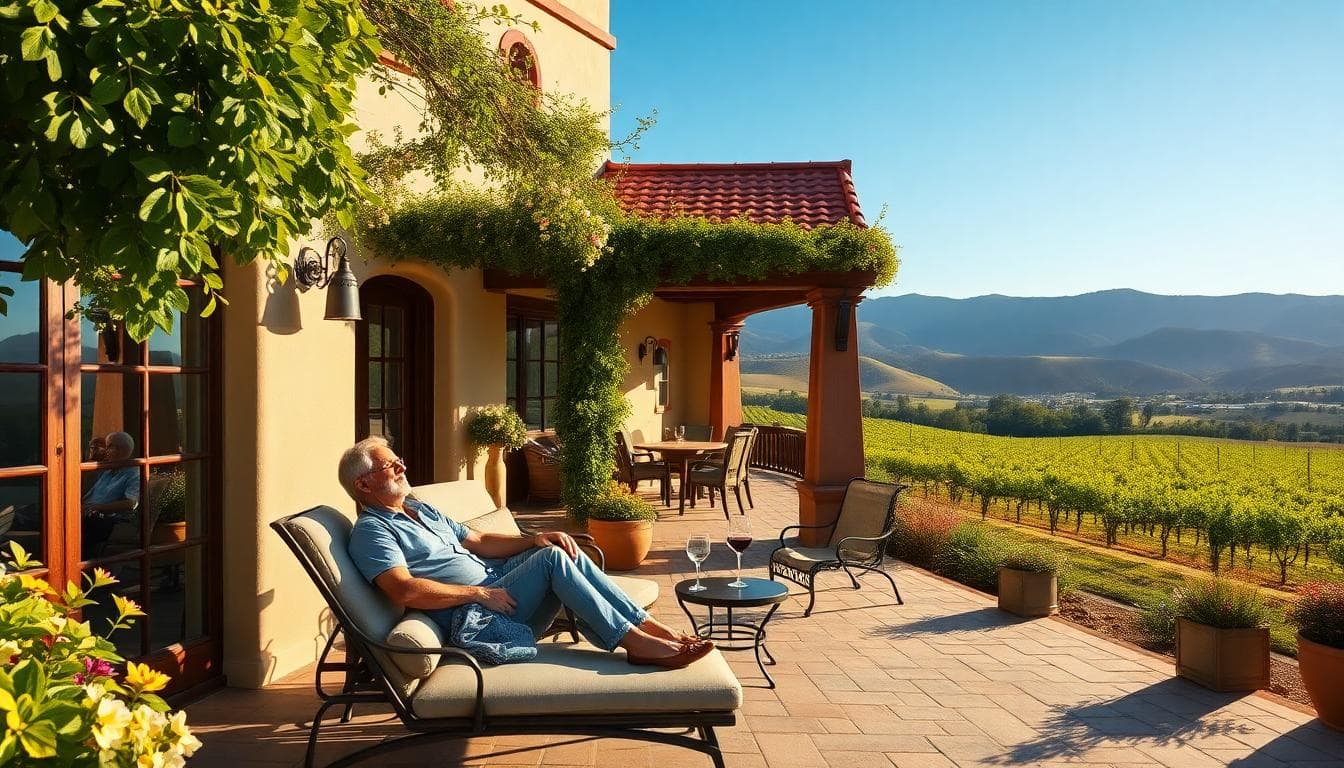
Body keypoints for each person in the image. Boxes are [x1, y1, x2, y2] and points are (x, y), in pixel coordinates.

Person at [342, 437, 713, 668]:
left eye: (398, 460)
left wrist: (533, 538)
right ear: (364, 483)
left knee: (556, 548)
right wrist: (478, 593)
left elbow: (479, 541)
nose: (402, 467)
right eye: (391, 465)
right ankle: (635, 643)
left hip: (498, 589)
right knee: (553, 559)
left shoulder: (419, 508)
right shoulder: (373, 531)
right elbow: (403, 590)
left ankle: (649, 629)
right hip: (476, 616)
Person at [81, 431, 140, 557]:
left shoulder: (134, 473)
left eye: (109, 447)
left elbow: (131, 503)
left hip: (106, 520)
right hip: (87, 512)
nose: (105, 451)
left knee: (78, 529)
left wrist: (95, 508)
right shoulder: (107, 470)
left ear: (120, 450)